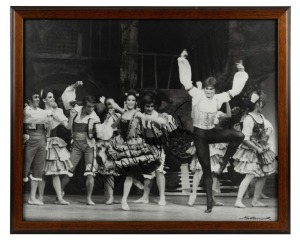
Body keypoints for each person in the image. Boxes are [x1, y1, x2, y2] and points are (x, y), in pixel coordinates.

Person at [177, 49, 248, 213]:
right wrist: (182, 59)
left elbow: (235, 90)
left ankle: (224, 162)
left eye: (212, 89)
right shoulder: (197, 94)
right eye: (207, 89)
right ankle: (210, 202)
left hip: (212, 132)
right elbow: (185, 80)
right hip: (200, 135)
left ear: (215, 90)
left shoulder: (219, 98)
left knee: (239, 135)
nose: (209, 91)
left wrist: (241, 71)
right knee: (206, 168)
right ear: (205, 89)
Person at [105, 90, 168, 210]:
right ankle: (129, 191)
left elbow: (147, 117)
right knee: (125, 172)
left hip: (136, 146)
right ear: (125, 101)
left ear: (135, 102)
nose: (131, 102)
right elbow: (114, 113)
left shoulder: (137, 113)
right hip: (124, 146)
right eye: (129, 100)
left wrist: (159, 120)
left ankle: (127, 197)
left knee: (133, 172)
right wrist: (109, 105)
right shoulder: (123, 113)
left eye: (133, 100)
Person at [60, 85, 113, 205]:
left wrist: (106, 121)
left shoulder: (94, 116)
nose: (91, 109)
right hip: (76, 145)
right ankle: (60, 193)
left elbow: (101, 133)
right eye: (89, 106)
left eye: (93, 106)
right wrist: (74, 85)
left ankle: (89, 198)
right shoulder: (75, 110)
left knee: (90, 172)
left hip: (89, 146)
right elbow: (66, 97)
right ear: (83, 105)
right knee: (69, 170)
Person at [233, 92, 277, 208]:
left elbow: (269, 127)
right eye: (261, 103)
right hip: (251, 149)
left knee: (263, 175)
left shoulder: (261, 117)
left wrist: (265, 136)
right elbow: (245, 138)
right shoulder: (249, 118)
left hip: (261, 147)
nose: (262, 105)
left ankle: (255, 200)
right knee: (250, 175)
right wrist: (257, 148)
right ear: (257, 104)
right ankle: (238, 200)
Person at [133, 92, 176, 206]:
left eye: (152, 106)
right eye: (147, 106)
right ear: (144, 106)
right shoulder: (140, 116)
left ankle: (162, 197)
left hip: (158, 147)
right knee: (148, 173)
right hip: (146, 147)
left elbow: (166, 124)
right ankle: (145, 197)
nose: (150, 108)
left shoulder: (160, 116)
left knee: (159, 171)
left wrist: (150, 117)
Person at [187, 102, 231, 207]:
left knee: (214, 172)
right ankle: (193, 195)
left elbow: (229, 115)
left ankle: (212, 198)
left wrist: (227, 100)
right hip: (203, 140)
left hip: (215, 142)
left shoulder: (218, 113)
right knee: (199, 169)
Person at [37, 90, 74, 205]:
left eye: (53, 97)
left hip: (53, 143)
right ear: (44, 100)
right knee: (42, 172)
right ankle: (40, 198)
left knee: (55, 172)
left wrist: (71, 117)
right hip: (42, 142)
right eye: (49, 97)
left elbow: (68, 127)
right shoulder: (40, 112)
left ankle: (59, 198)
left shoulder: (58, 111)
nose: (52, 99)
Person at [23, 89, 59, 205]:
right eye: (35, 97)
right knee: (25, 168)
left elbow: (51, 124)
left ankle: (32, 197)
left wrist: (54, 112)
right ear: (29, 100)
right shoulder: (27, 110)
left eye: (39, 97)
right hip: (30, 140)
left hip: (41, 140)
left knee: (38, 169)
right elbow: (32, 116)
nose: (38, 99)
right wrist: (48, 112)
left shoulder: (41, 111)